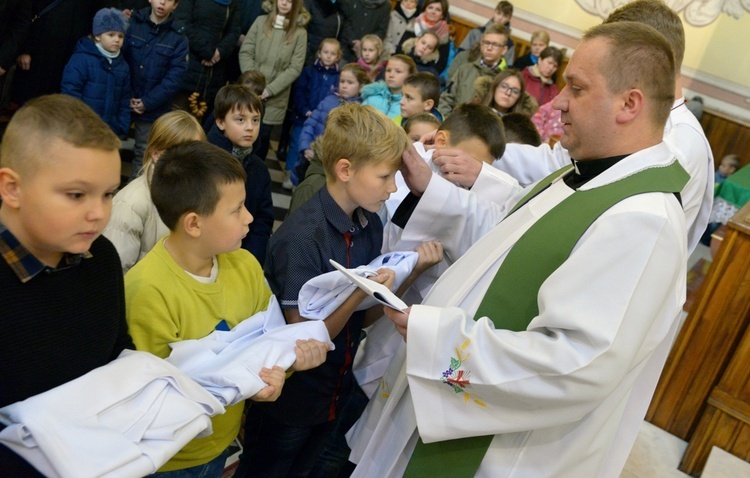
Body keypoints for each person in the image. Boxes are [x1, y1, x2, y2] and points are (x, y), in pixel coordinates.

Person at [347, 20, 691, 477]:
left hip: (496, 456)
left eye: (577, 88)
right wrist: (433, 187)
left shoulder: (641, 220)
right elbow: (502, 239)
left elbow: (575, 366)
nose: (559, 102)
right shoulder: (586, 175)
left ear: (629, 104)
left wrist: (436, 338)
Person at [238, 103, 436, 477]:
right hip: (289, 397)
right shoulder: (302, 237)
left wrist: (408, 274)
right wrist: (360, 292)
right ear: (345, 169)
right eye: (384, 177)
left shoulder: (369, 223)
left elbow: (363, 318)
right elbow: (304, 335)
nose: (393, 187)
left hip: (334, 391)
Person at [124, 140, 329, 476]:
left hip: (222, 442)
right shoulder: (147, 289)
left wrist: (283, 368)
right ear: (194, 224)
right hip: (168, 459)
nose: (249, 217)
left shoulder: (245, 265)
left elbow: (270, 339)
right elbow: (152, 394)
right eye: (236, 210)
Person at [494, 0, 714, 254]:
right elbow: (557, 166)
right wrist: (485, 151)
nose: (559, 102)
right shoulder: (638, 119)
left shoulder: (676, 144)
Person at [0, 94, 134, 475]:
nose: (98, 214)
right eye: (76, 195)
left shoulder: (102, 257)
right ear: (11, 188)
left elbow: (116, 352)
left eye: (109, 194)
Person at [104, 110, 205, 274]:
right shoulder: (131, 204)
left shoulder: (196, 196)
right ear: (157, 154)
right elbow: (115, 272)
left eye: (196, 152)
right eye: (181, 152)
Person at [206, 85, 274, 265]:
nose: (250, 128)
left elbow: (262, 220)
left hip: (242, 256)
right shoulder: (205, 161)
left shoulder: (259, 169)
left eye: (256, 120)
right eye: (240, 120)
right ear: (221, 122)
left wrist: (249, 260)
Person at [291, 63, 371, 213]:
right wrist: (305, 147)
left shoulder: (359, 111)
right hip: (309, 158)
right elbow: (310, 124)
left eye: (350, 82)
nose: (344, 86)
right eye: (342, 81)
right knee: (300, 197)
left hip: (331, 166)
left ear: (361, 86)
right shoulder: (328, 101)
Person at [123, 0, 189, 180]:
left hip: (154, 107)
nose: (162, 3)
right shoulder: (133, 23)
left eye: (169, 0)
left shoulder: (178, 37)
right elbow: (121, 60)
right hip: (124, 99)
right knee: (108, 145)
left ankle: (132, 199)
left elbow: (174, 78)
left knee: (144, 154)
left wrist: (147, 102)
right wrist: (127, 94)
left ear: (175, 5)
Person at [239, 0, 309, 161]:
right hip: (249, 91)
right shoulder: (260, 21)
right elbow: (246, 51)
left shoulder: (300, 33)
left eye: (290, 1)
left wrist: (269, 90)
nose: (284, 3)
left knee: (260, 143)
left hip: (274, 97)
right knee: (240, 135)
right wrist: (252, 84)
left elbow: (295, 67)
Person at [61, 8, 131, 138]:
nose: (117, 39)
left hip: (110, 132)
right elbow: (70, 94)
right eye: (111, 35)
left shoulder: (123, 66)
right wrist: (77, 124)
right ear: (98, 36)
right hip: (82, 130)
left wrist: (121, 126)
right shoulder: (81, 59)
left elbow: (124, 101)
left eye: (120, 36)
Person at [285, 37, 342, 189]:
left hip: (323, 120)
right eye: (325, 52)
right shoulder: (309, 71)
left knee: (315, 149)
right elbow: (300, 92)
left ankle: (308, 178)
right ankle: (290, 173)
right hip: (303, 116)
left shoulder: (338, 77)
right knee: (297, 144)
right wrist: (305, 110)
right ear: (319, 53)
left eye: (332, 53)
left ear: (338, 57)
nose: (328, 56)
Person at [173, 0, 241, 120]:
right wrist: (208, 52)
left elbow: (234, 31)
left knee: (200, 127)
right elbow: (182, 23)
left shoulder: (232, 2)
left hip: (215, 73)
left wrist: (219, 52)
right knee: (176, 123)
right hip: (187, 65)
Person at [438, 24, 509, 117]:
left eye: (495, 45)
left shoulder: (505, 79)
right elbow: (447, 99)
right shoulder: (465, 69)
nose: (489, 48)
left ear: (504, 50)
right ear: (481, 43)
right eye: (486, 43)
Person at [459, 0, 514, 66]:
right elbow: (461, 53)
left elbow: (507, 67)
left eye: (505, 16)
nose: (500, 18)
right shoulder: (477, 32)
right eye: (498, 13)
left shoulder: (509, 44)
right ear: (494, 12)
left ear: (509, 18)